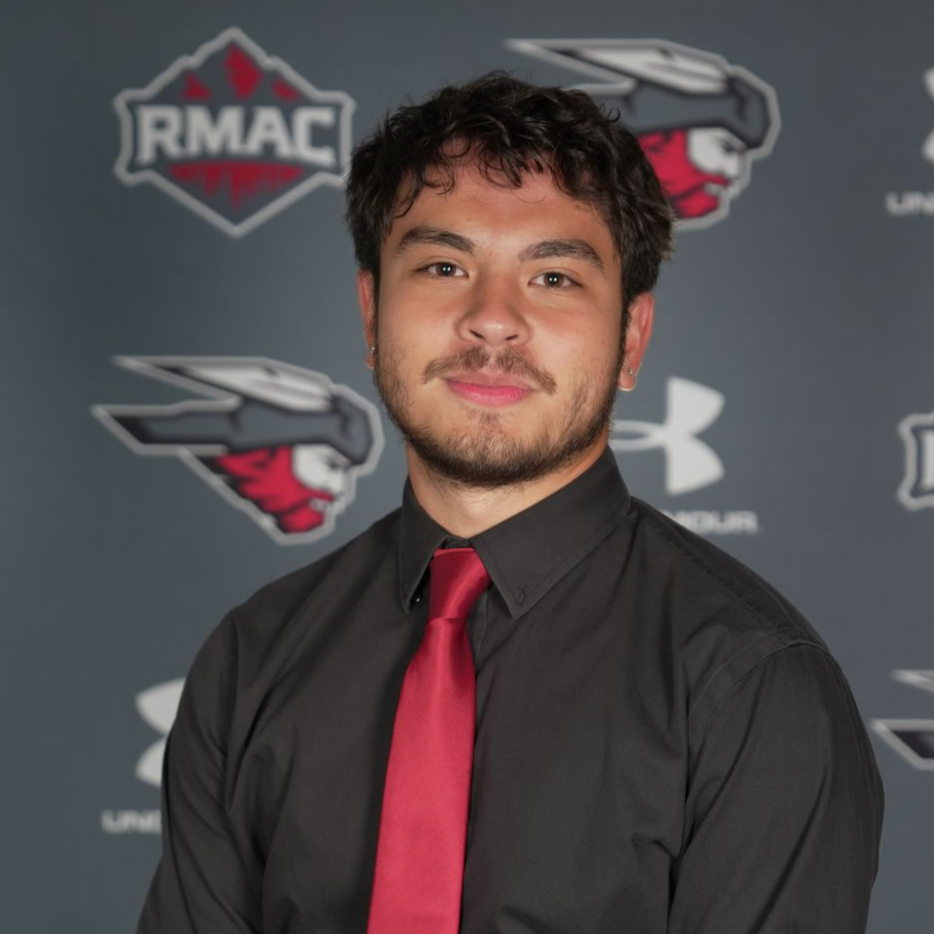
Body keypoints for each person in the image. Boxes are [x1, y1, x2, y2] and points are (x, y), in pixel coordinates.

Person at [137, 72, 884, 934]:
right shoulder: (250, 663)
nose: (492, 321)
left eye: (555, 278)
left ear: (632, 336)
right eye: (444, 265)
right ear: (372, 313)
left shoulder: (754, 687)